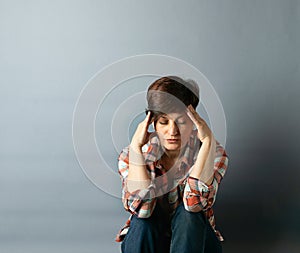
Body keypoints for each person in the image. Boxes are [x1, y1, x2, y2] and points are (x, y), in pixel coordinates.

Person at [115, 76, 229, 253]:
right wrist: (136, 148)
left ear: (194, 121)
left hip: (196, 243)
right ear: (151, 123)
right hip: (152, 243)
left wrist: (207, 142)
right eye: (163, 122)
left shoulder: (214, 153)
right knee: (143, 222)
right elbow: (142, 210)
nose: (172, 131)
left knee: (188, 215)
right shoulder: (131, 155)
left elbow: (194, 205)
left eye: (181, 122)